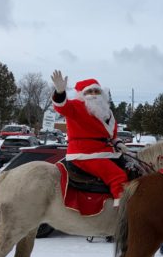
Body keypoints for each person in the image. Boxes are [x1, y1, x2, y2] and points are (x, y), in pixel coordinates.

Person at [51, 70, 128, 205]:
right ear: (82, 95)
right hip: (85, 154)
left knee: (132, 169)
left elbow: (112, 135)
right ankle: (121, 212)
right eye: (89, 92)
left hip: (105, 152)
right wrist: (60, 93)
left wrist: (118, 143)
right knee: (118, 176)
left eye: (96, 91)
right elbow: (62, 107)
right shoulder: (76, 106)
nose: (93, 95)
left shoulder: (107, 112)